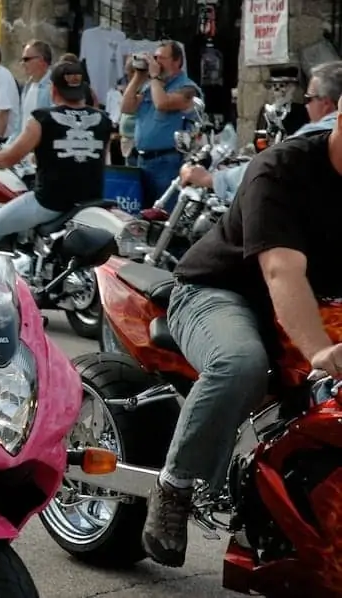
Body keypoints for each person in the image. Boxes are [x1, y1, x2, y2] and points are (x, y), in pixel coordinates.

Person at [144, 94, 342, 570]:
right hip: (220, 291)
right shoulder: (281, 169)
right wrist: (319, 352)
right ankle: (174, 488)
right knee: (241, 364)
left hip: (317, 302)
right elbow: (281, 272)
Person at [0, 61, 111, 251]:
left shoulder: (42, 118)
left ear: (53, 90)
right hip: (91, 200)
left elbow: (6, 159)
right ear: (84, 89)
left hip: (50, 202)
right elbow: (97, 159)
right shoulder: (103, 119)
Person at [181, 60, 342, 202]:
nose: (278, 91)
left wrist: (212, 179)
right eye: (274, 87)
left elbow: (270, 165)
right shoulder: (266, 112)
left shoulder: (317, 132)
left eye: (309, 98)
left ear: (326, 103)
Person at [120, 41, 201, 210]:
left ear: (177, 61)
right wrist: (138, 77)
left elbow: (162, 104)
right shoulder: (152, 86)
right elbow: (126, 107)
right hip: (141, 160)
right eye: (154, 58)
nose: (156, 62)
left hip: (167, 162)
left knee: (164, 214)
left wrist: (155, 77)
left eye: (161, 58)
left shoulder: (188, 88)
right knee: (140, 214)